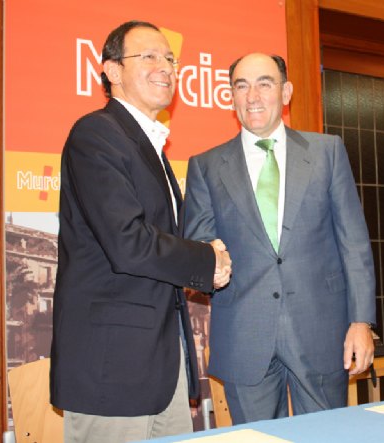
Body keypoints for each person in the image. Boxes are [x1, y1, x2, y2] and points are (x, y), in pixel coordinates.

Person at [49, 20, 231, 443]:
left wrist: (206, 255)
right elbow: (127, 242)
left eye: (169, 58)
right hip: (112, 368)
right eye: (148, 56)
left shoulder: (150, 147)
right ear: (112, 70)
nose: (165, 66)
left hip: (161, 364)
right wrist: (207, 260)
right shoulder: (96, 134)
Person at [183, 52, 376, 424]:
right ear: (231, 96)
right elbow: (199, 244)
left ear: (286, 93)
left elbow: (353, 243)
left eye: (264, 84)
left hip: (322, 332)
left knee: (328, 435)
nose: (252, 96)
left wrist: (361, 322)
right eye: (241, 86)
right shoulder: (206, 166)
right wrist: (208, 260)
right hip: (244, 334)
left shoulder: (327, 152)